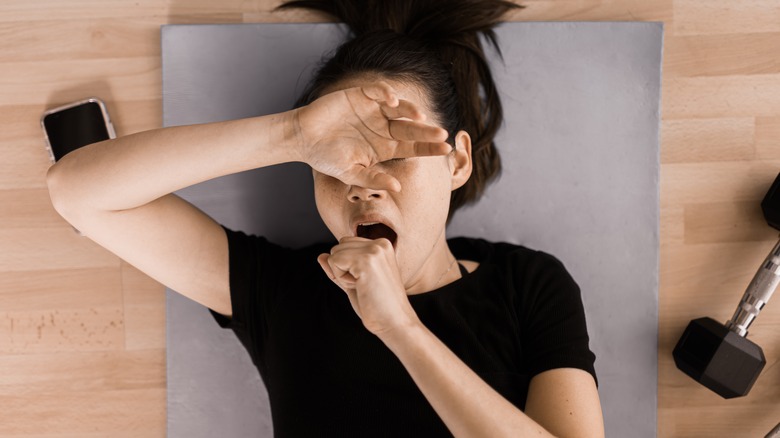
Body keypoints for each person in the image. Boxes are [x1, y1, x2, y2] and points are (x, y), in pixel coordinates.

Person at [46, 0, 604, 436]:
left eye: (392, 157)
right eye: (335, 165)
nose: (362, 185)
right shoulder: (283, 292)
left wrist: (401, 329)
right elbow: (78, 192)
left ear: (456, 162)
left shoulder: (528, 284)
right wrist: (295, 134)